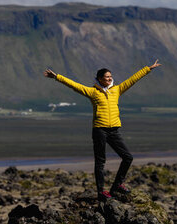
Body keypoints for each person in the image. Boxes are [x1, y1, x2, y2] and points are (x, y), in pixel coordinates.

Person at [43, 60, 161, 200]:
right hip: (100, 130)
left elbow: (132, 80)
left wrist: (148, 69)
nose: (110, 78)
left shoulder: (117, 90)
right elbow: (75, 85)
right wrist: (57, 77)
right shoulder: (93, 92)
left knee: (128, 157)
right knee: (100, 161)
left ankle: (117, 185)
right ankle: (101, 192)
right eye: (107, 77)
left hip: (114, 130)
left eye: (110, 76)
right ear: (99, 79)